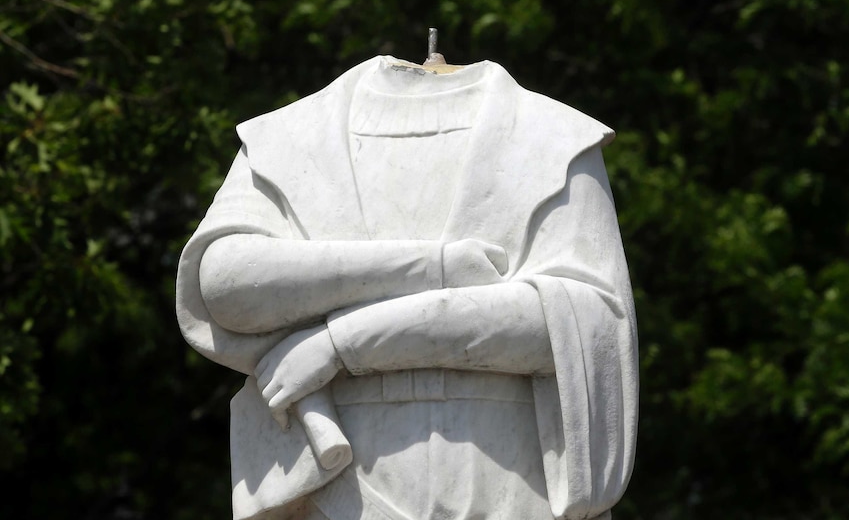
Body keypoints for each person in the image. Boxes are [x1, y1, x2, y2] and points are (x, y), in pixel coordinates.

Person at [176, 56, 638, 520]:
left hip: (509, 489)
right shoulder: (292, 136)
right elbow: (225, 284)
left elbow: (582, 324)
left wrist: (338, 344)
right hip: (338, 495)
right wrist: (434, 267)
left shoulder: (553, 137)